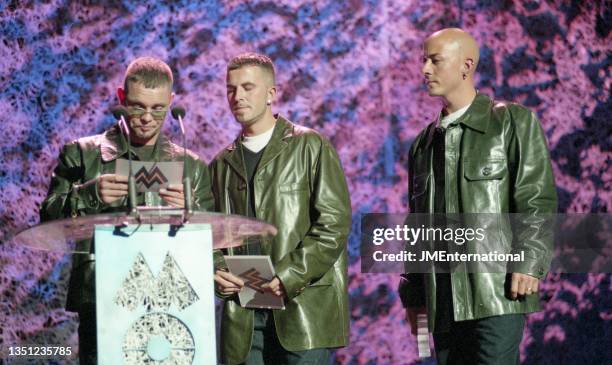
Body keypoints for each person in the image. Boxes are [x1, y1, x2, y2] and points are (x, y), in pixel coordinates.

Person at [40, 56, 214, 364]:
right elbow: (49, 220)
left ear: (171, 102)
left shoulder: (191, 166)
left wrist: (192, 211)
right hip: (102, 299)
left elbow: (213, 240)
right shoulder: (82, 155)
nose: (147, 117)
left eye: (158, 108)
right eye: (137, 106)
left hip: (171, 306)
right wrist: (89, 194)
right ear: (121, 98)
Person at [399, 28, 557, 364]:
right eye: (423, 60)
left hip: (495, 290)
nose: (424, 69)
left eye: (435, 60)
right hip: (440, 299)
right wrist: (414, 296)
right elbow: (416, 228)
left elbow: (536, 199)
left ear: (466, 65)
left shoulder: (512, 122)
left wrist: (529, 261)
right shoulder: (422, 144)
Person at [210, 53, 351, 365]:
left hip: (302, 310)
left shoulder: (310, 146)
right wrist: (216, 269)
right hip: (244, 315)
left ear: (272, 93)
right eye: (231, 89)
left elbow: (334, 225)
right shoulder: (220, 164)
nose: (238, 96)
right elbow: (209, 234)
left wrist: (289, 276)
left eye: (248, 87)